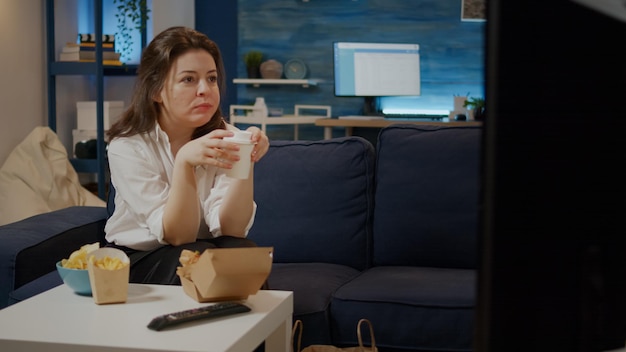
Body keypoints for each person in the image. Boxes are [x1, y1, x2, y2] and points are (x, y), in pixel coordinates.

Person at [104, 26, 270, 285]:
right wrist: (184, 162)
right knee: (200, 258)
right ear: (156, 90)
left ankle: (274, 326)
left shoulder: (225, 136)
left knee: (243, 252)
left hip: (203, 249)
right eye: (189, 79)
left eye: (212, 78)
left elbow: (232, 230)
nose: (204, 89)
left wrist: (244, 158)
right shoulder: (127, 146)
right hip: (139, 258)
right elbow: (178, 237)